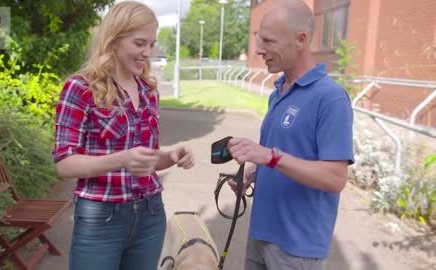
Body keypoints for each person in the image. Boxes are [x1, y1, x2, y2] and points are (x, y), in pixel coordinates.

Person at [52, 2, 194, 270]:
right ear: (114, 40)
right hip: (100, 219)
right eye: (140, 43)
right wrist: (121, 159)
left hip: (151, 214)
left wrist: (170, 156)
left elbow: (144, 161)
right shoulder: (80, 88)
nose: (147, 53)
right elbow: (64, 164)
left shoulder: (149, 91)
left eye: (151, 44)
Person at [227, 0, 354, 269]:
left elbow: (335, 178)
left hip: (297, 247)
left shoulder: (330, 98)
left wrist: (271, 157)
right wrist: (254, 173)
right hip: (260, 234)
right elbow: (285, 155)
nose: (260, 50)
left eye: (269, 41)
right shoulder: (279, 91)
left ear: (301, 40)